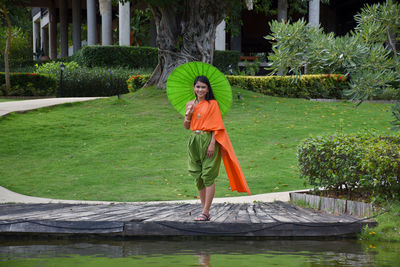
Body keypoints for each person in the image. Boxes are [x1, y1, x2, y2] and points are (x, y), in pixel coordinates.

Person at [184, 76, 250, 222]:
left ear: (208, 89)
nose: (200, 90)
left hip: (208, 139)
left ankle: (206, 212)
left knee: (208, 174)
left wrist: (212, 143)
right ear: (193, 88)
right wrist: (188, 115)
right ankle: (204, 211)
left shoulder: (212, 104)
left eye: (203, 87)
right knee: (198, 175)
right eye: (197, 87)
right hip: (194, 140)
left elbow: (217, 126)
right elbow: (186, 126)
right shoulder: (190, 104)